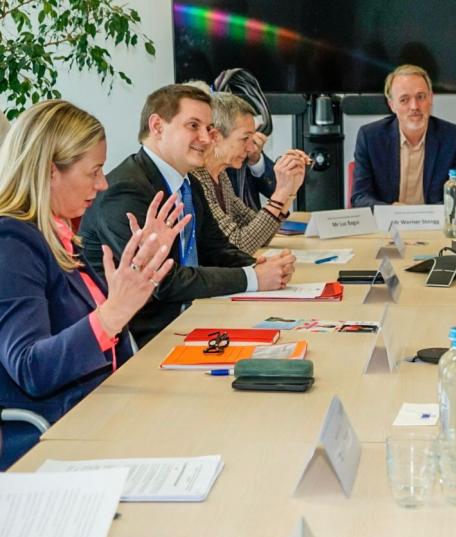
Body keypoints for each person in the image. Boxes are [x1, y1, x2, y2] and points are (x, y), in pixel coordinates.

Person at [0, 100, 187, 469]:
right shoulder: (12, 243)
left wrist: (140, 265)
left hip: (104, 413)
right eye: (94, 172)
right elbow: (31, 368)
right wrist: (112, 314)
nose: (102, 185)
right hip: (56, 441)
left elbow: (95, 318)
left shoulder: (62, 235)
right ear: (50, 172)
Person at [80, 84, 296, 346]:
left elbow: (215, 248)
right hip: (144, 342)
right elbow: (163, 281)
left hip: (193, 321)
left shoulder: (187, 183)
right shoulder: (126, 190)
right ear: (157, 126)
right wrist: (253, 278)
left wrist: (259, 267)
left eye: (208, 129)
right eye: (193, 126)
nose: (206, 139)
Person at [191, 92, 310, 255]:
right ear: (215, 137)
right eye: (244, 138)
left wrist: (290, 190)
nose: (251, 148)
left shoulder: (220, 176)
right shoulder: (195, 179)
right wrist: (280, 192)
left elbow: (261, 235)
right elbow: (238, 246)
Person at [351, 64, 456, 207]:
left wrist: (422, 215)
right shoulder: (370, 137)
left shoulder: (453, 137)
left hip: (434, 227)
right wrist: (390, 211)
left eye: (420, 97)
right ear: (392, 105)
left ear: (431, 99)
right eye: (404, 99)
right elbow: (360, 196)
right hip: (387, 226)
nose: (414, 106)